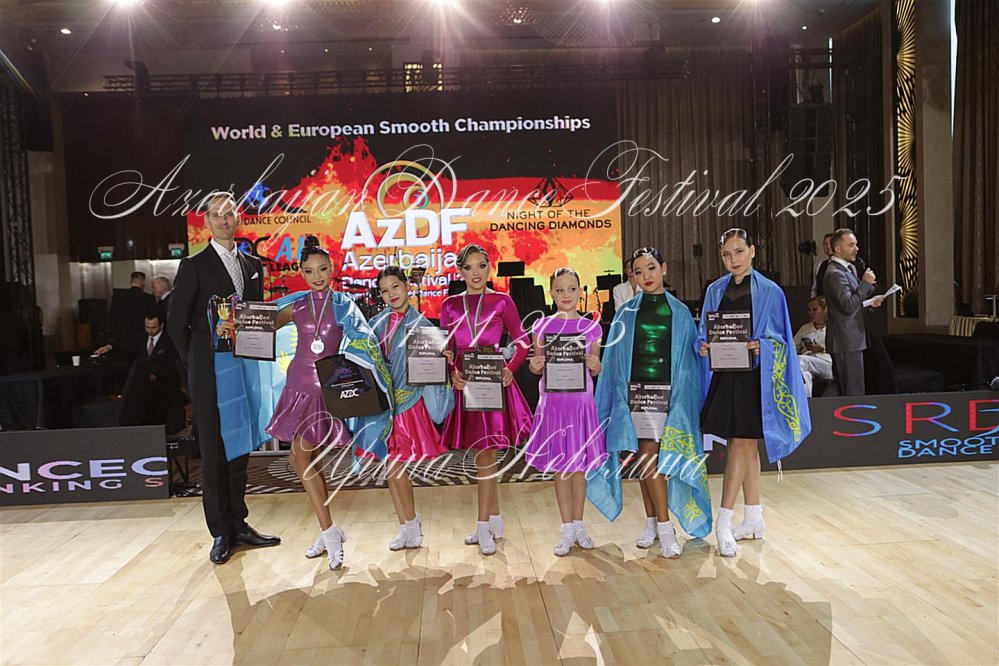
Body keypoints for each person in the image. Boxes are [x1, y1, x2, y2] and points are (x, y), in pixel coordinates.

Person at [167, 191, 279, 565]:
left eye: (229, 213)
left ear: (238, 218)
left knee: (239, 448)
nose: (224, 220)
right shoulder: (194, 266)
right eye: (216, 215)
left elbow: (256, 317)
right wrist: (196, 363)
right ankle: (220, 531)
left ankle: (238, 523)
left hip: (244, 369)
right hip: (210, 374)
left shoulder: (252, 265)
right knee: (214, 451)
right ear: (207, 221)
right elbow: (175, 323)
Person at [587, 247, 711, 559]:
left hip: (669, 398)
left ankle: (663, 525)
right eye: (639, 272)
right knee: (646, 457)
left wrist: (679, 399)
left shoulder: (680, 312)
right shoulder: (626, 312)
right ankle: (656, 523)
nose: (646, 276)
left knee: (650, 458)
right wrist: (620, 397)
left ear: (664, 268)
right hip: (636, 397)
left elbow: (688, 363)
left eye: (651, 268)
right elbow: (615, 361)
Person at [698, 228, 812, 557]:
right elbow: (703, 329)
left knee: (742, 444)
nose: (733, 259)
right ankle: (753, 517)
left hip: (755, 379)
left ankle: (723, 522)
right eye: (726, 254)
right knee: (746, 447)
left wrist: (762, 345)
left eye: (738, 251)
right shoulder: (715, 290)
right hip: (726, 376)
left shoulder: (771, 291)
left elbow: (783, 340)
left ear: (752, 251)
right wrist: (702, 345)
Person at [439, 243, 533, 555]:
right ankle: (493, 519)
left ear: (489, 267)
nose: (476, 273)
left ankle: (483, 526)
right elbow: (446, 348)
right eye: (469, 268)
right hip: (467, 382)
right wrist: (452, 371)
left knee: (487, 454)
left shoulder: (502, 301)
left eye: (481, 266)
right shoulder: (450, 305)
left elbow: (522, 341)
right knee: (483, 454)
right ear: (460, 271)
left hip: (493, 380)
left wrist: (511, 368)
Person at [368, 266, 453, 552]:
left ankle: (412, 524)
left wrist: (443, 359)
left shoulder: (424, 326)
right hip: (384, 406)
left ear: (407, 286)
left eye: (395, 286)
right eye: (385, 290)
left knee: (395, 466)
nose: (391, 294)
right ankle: (405, 526)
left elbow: (433, 368)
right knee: (390, 468)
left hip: (408, 404)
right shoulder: (376, 324)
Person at [524, 267, 606, 556]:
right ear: (551, 294)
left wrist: (596, 365)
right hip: (554, 405)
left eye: (571, 289)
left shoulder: (591, 328)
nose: (566, 295)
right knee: (561, 467)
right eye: (560, 290)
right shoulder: (541, 327)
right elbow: (537, 364)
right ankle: (566, 528)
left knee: (579, 468)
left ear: (580, 291)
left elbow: (596, 365)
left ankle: (580, 525)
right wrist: (534, 365)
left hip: (581, 405)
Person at [822, 228, 885, 396]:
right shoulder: (835, 273)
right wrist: (865, 284)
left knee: (840, 387)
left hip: (850, 339)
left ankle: (817, 411)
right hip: (845, 341)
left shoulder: (848, 269)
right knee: (853, 391)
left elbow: (853, 304)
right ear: (837, 249)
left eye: (856, 245)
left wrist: (870, 304)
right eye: (851, 245)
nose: (856, 249)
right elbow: (848, 305)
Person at [108, 271, 157, 354]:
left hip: (121, 340)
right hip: (142, 340)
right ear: (143, 282)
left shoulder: (118, 298)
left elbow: (111, 319)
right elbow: (153, 318)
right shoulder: (148, 299)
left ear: (130, 282)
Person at [794, 296, 833, 397]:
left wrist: (822, 349)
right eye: (809, 310)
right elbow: (793, 347)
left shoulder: (833, 327)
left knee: (800, 360)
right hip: (808, 360)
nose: (811, 313)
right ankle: (807, 400)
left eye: (815, 309)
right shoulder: (805, 328)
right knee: (805, 374)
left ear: (824, 310)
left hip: (826, 362)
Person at [811, 233, 835, 298]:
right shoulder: (820, 265)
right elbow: (815, 287)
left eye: (830, 243)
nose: (828, 246)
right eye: (825, 244)